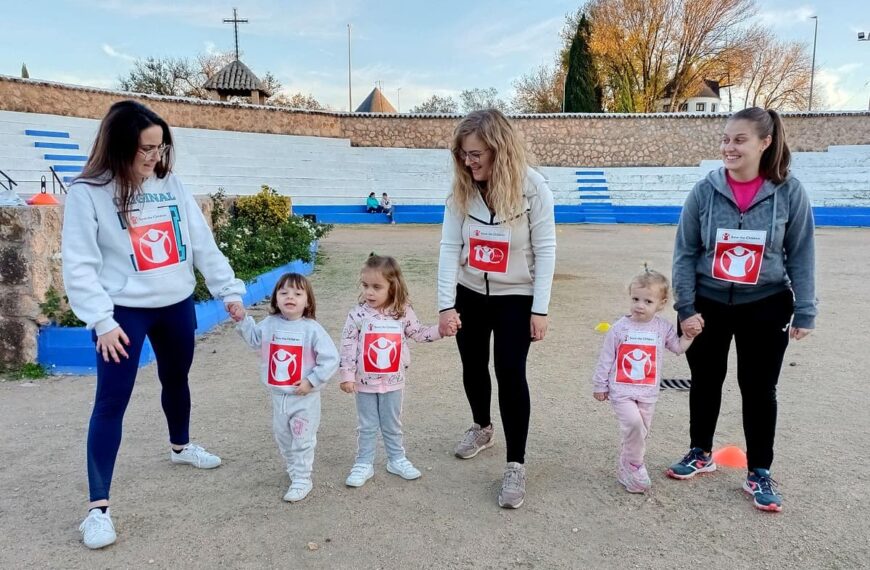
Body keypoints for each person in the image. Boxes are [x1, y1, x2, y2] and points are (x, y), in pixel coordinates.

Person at [61, 100, 246, 549]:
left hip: (176, 302)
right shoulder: (88, 192)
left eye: (160, 148)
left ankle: (181, 448)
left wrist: (229, 290)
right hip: (123, 313)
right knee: (111, 401)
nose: (154, 158)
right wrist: (101, 320)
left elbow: (201, 243)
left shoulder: (171, 183)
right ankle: (97, 510)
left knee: (176, 378)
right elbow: (80, 264)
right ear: (120, 144)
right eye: (146, 149)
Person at [669, 107, 816, 513]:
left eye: (739, 140)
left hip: (765, 305)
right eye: (725, 139)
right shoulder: (704, 190)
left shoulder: (789, 192)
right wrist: (685, 307)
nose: (728, 147)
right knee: (705, 380)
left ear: (764, 143)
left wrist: (805, 309)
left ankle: (759, 470)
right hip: (708, 303)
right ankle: (700, 451)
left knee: (759, 389)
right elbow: (685, 252)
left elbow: (801, 253)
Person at [437, 109, 556, 509]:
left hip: (516, 298)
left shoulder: (533, 188)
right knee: (472, 366)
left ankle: (515, 464)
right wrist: (445, 305)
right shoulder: (462, 190)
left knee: (510, 372)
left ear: (499, 150)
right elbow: (450, 248)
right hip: (470, 293)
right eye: (463, 155)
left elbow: (546, 249)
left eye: (476, 155)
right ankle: (482, 428)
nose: (468, 163)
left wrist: (539, 309)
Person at [339, 254, 456, 488]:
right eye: (365, 286)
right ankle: (364, 463)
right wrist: (347, 375)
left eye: (376, 287)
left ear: (393, 287)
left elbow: (419, 333)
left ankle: (396, 459)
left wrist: (441, 331)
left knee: (392, 423)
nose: (369, 292)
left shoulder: (403, 312)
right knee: (368, 424)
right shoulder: (357, 315)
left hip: (394, 382)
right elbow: (348, 344)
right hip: (364, 383)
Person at [235, 273, 339, 503]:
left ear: (308, 301)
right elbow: (254, 339)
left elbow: (331, 358)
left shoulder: (312, 329)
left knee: (302, 438)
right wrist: (243, 319)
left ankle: (303, 478)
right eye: (284, 293)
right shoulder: (270, 324)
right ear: (275, 299)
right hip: (278, 397)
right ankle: (294, 469)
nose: (290, 297)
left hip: (304, 399)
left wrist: (311, 381)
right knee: (283, 437)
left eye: (297, 293)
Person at [592, 269, 695, 493]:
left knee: (640, 432)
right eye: (635, 299)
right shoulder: (619, 328)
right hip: (622, 391)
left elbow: (677, 348)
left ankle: (625, 466)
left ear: (661, 303)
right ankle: (635, 466)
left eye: (648, 301)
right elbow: (606, 358)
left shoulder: (662, 328)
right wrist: (600, 385)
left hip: (648, 393)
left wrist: (688, 337)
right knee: (634, 425)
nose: (640, 305)